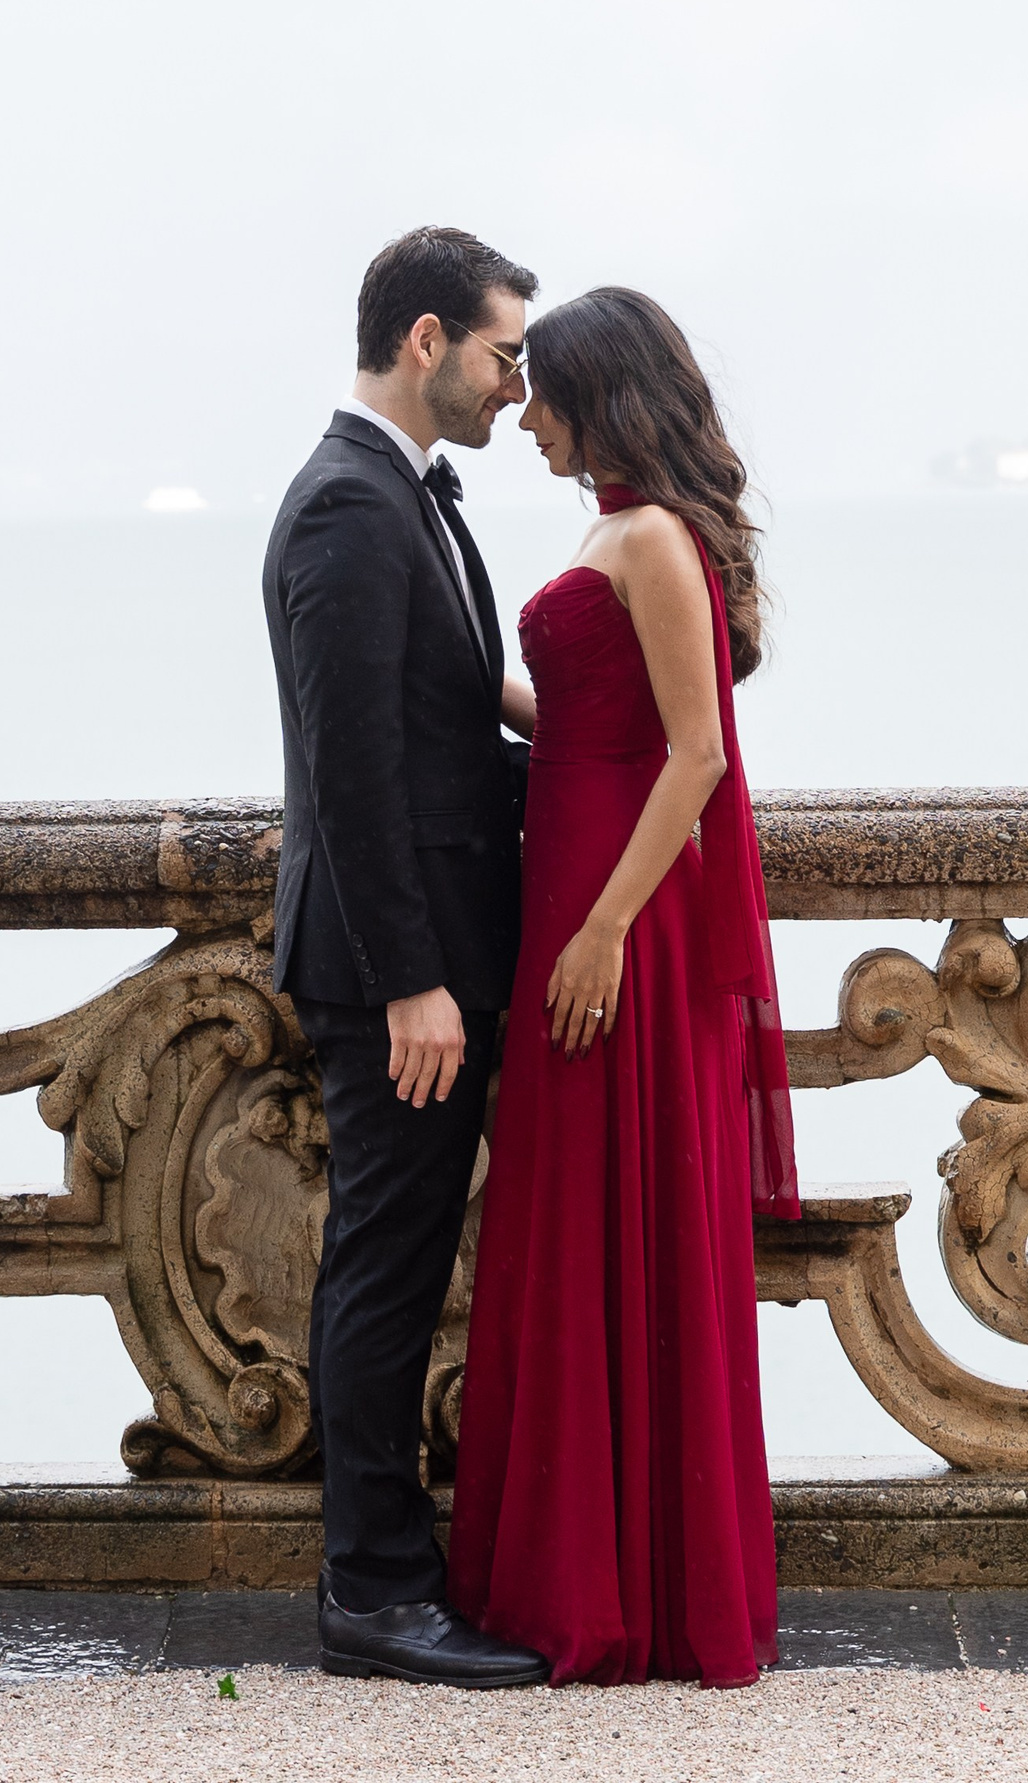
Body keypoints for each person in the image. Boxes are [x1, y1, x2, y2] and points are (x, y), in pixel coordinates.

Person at [447, 286, 799, 1688]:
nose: (520, 412)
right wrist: (470, 686)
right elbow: (597, 716)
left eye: (540, 390)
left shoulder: (650, 535)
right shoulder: (614, 524)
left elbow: (698, 755)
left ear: (601, 393)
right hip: (572, 893)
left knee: (614, 1223)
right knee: (567, 1226)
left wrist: (599, 935)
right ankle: (582, 1573)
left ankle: (627, 1592)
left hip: (619, 923)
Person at [261, 226, 552, 1688]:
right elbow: (353, 766)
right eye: (506, 351)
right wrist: (408, 983)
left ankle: (391, 1576)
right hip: (398, 972)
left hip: (438, 952)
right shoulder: (347, 510)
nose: (520, 382)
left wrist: (571, 722)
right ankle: (372, 1592)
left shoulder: (403, 499)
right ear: (427, 339)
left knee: (403, 1257)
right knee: (384, 1269)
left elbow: (432, 690)